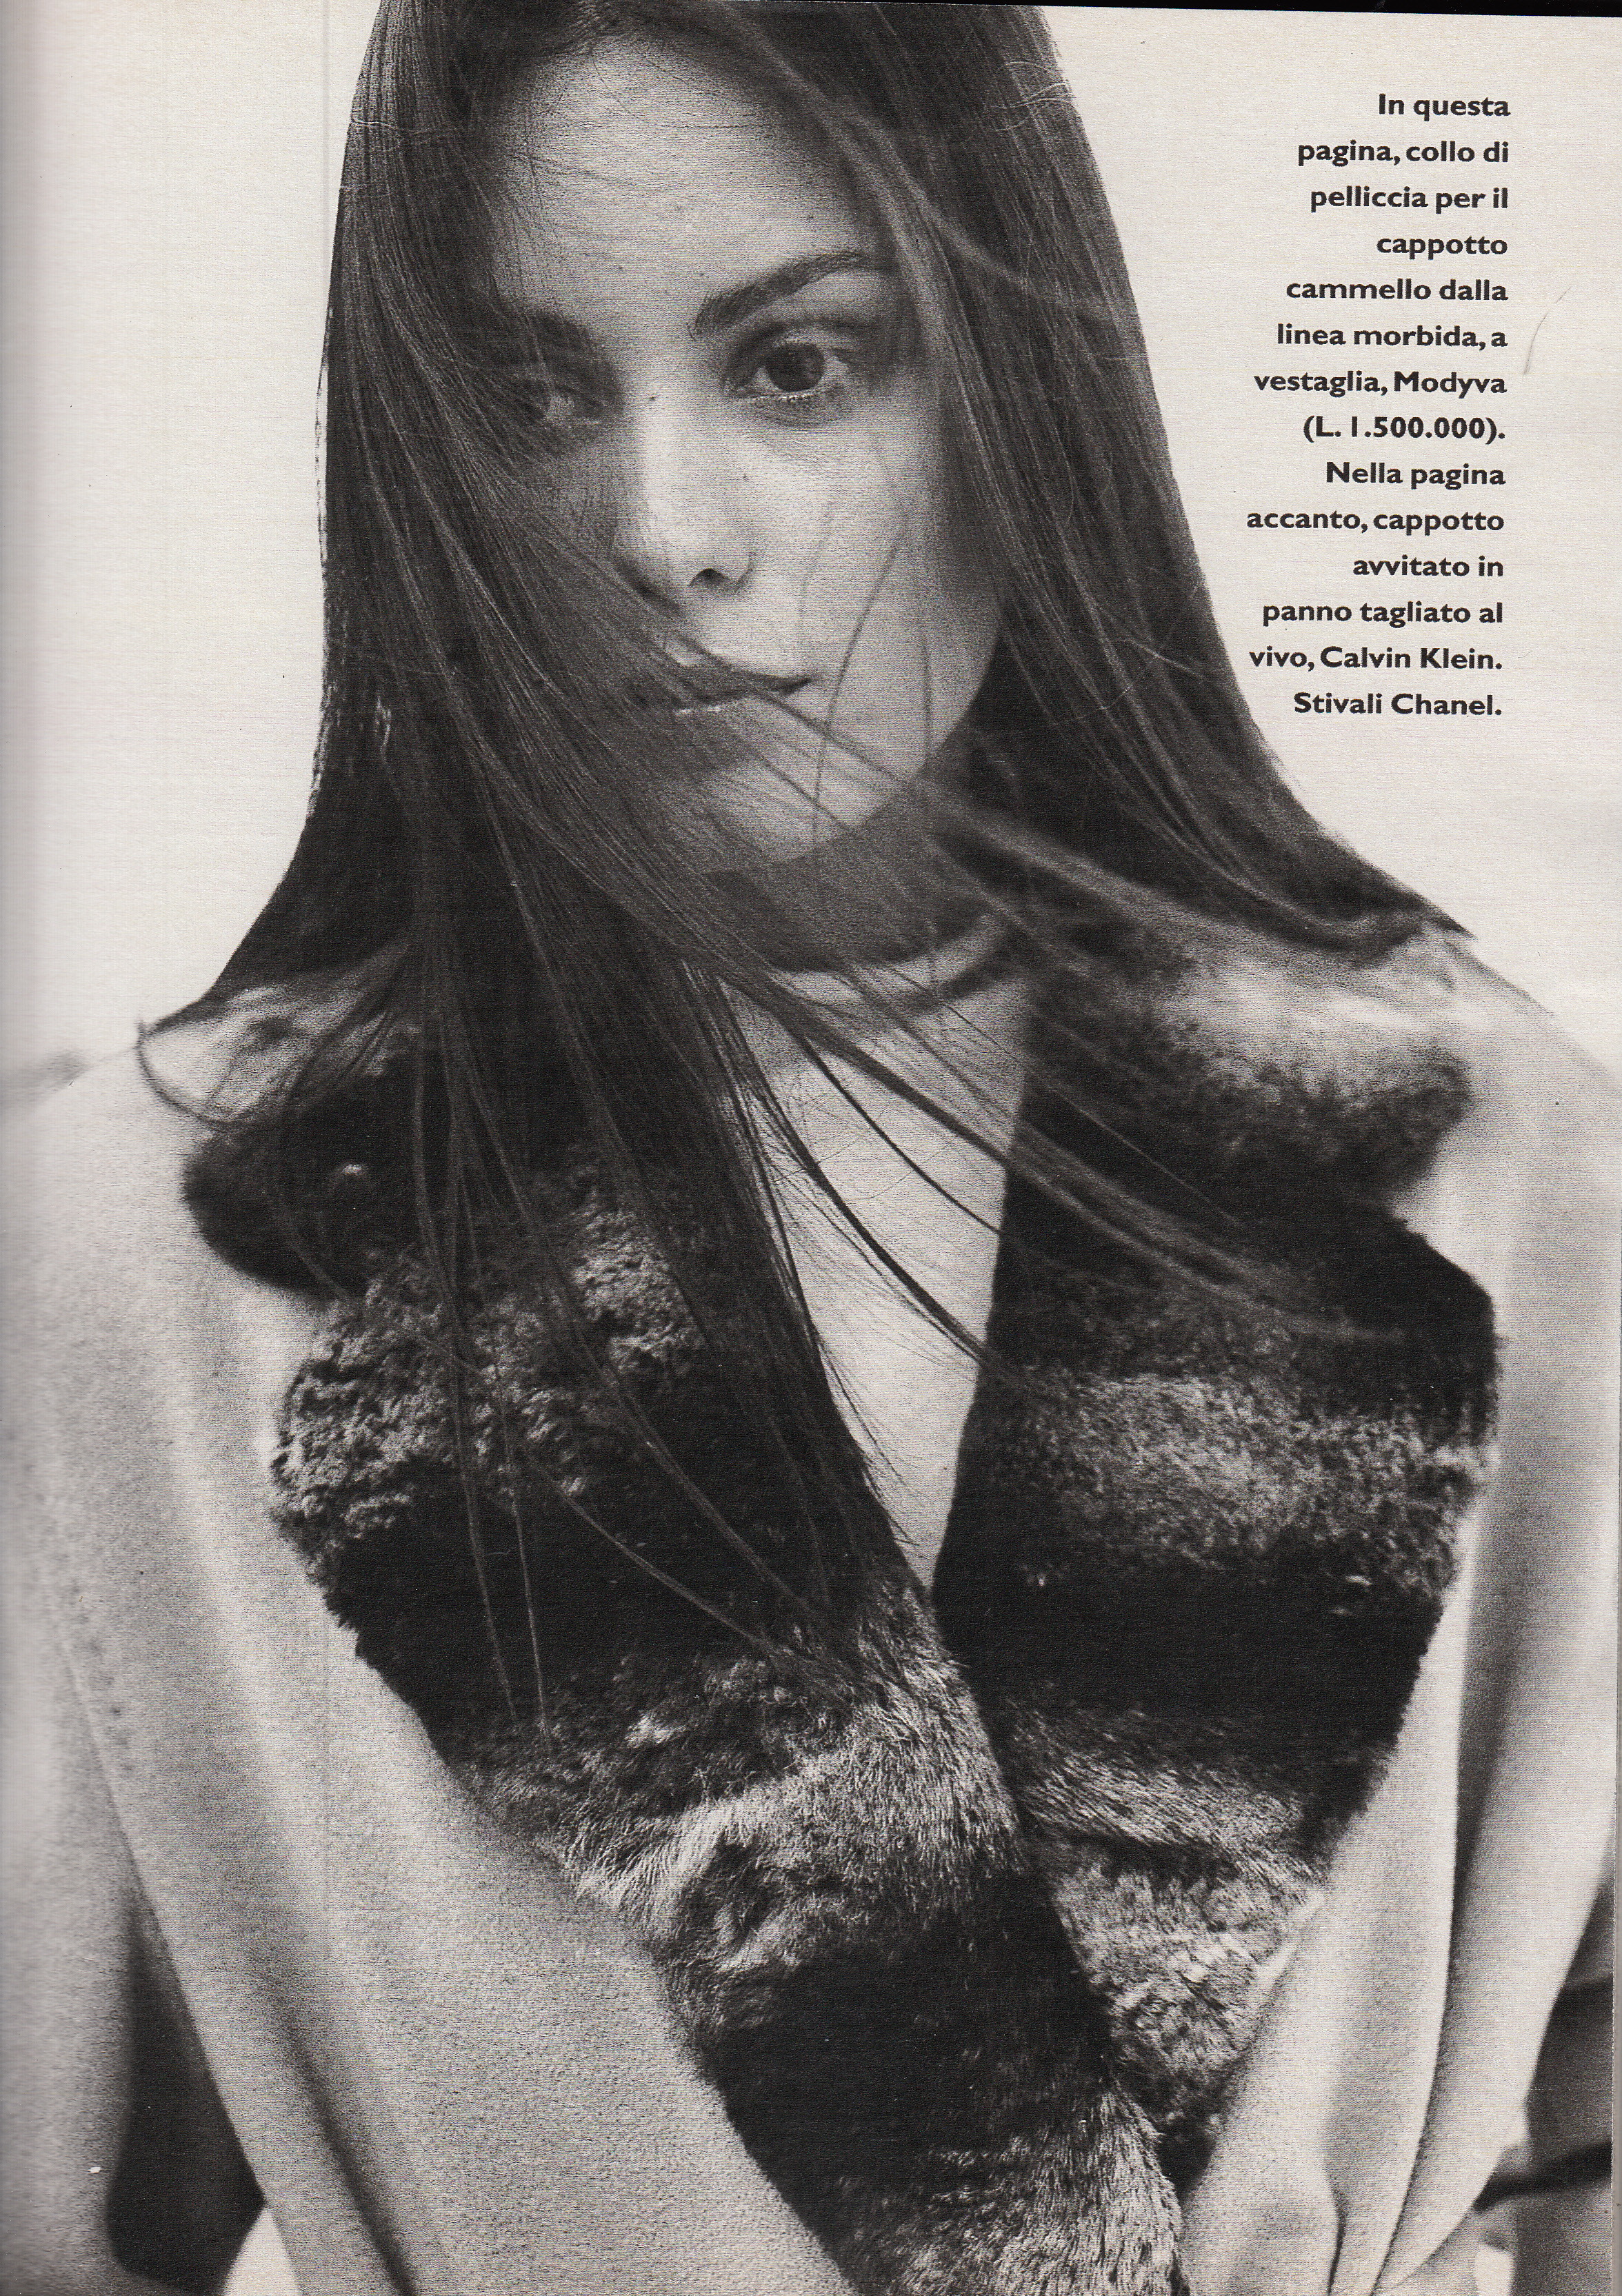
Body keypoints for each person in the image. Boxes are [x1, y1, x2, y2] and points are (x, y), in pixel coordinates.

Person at [3, 5, 1612, 2293]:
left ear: (1020, 392)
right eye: (534, 398)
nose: (660, 534)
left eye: (797, 365)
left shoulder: (1505, 1160)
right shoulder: (132, 1266)